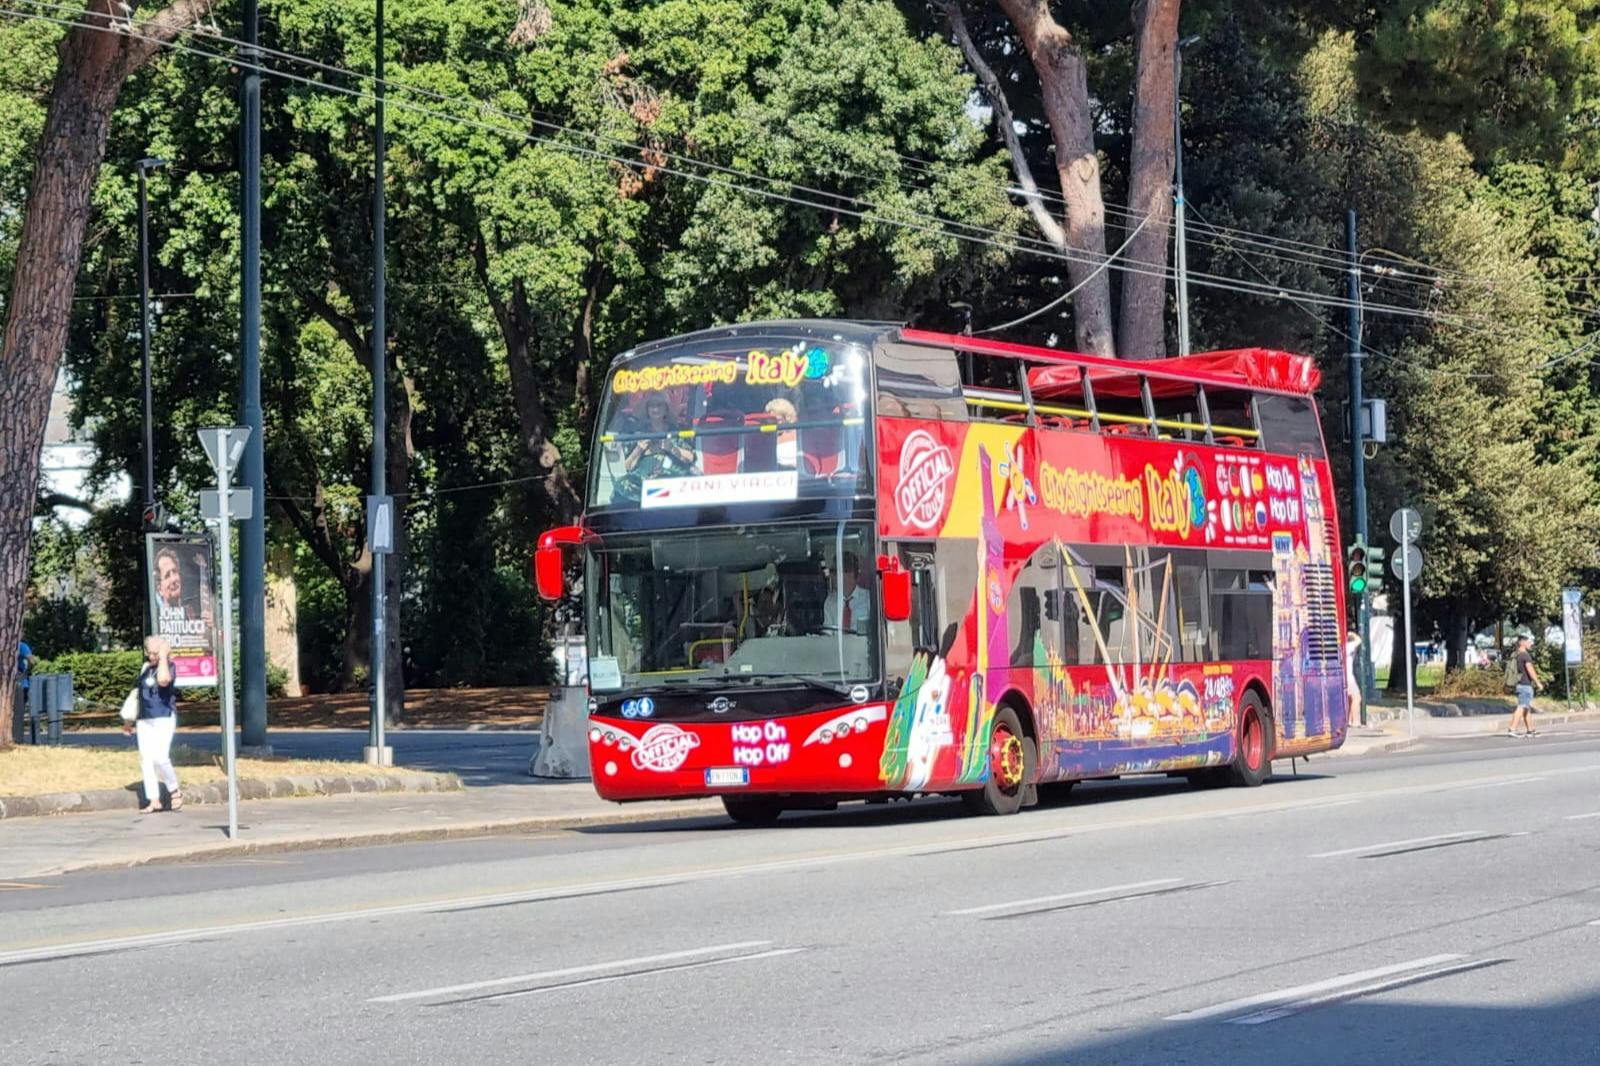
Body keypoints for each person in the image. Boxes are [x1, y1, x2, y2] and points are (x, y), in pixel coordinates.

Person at [124, 636, 182, 813]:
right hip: (144, 718)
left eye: (155, 653)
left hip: (163, 716)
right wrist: (128, 721)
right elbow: (137, 694)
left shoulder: (169, 666)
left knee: (161, 757)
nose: (151, 656)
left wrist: (163, 656)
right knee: (146, 759)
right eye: (149, 652)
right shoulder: (146, 668)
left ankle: (174, 789)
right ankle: (153, 799)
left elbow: (164, 680)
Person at [624, 397, 695, 478]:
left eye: (659, 405)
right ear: (647, 410)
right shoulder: (639, 433)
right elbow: (628, 466)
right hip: (642, 482)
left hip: (673, 479)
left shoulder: (676, 431)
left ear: (666, 409)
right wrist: (638, 449)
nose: (655, 409)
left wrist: (671, 448)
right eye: (651, 406)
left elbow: (690, 458)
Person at [822, 552, 870, 635]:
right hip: (837, 647)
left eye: (834, 571)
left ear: (850, 574)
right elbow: (827, 635)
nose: (831, 576)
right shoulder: (830, 601)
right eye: (832, 572)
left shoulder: (869, 599)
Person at [1508, 636, 1540, 738]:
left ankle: (1530, 730)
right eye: (1528, 642)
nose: (1530, 644)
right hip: (1525, 685)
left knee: (1526, 707)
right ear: (1522, 643)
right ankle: (1512, 729)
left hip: (1519, 684)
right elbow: (1530, 670)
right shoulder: (1525, 655)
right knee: (1522, 706)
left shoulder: (1516, 655)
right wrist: (1538, 682)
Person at [1345, 629, 1362, 727]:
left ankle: (1349, 720)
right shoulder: (1349, 646)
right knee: (1357, 697)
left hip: (1346, 676)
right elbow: (1359, 640)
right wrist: (1352, 634)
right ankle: (1355, 721)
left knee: (1350, 698)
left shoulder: (1343, 647)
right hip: (1349, 677)